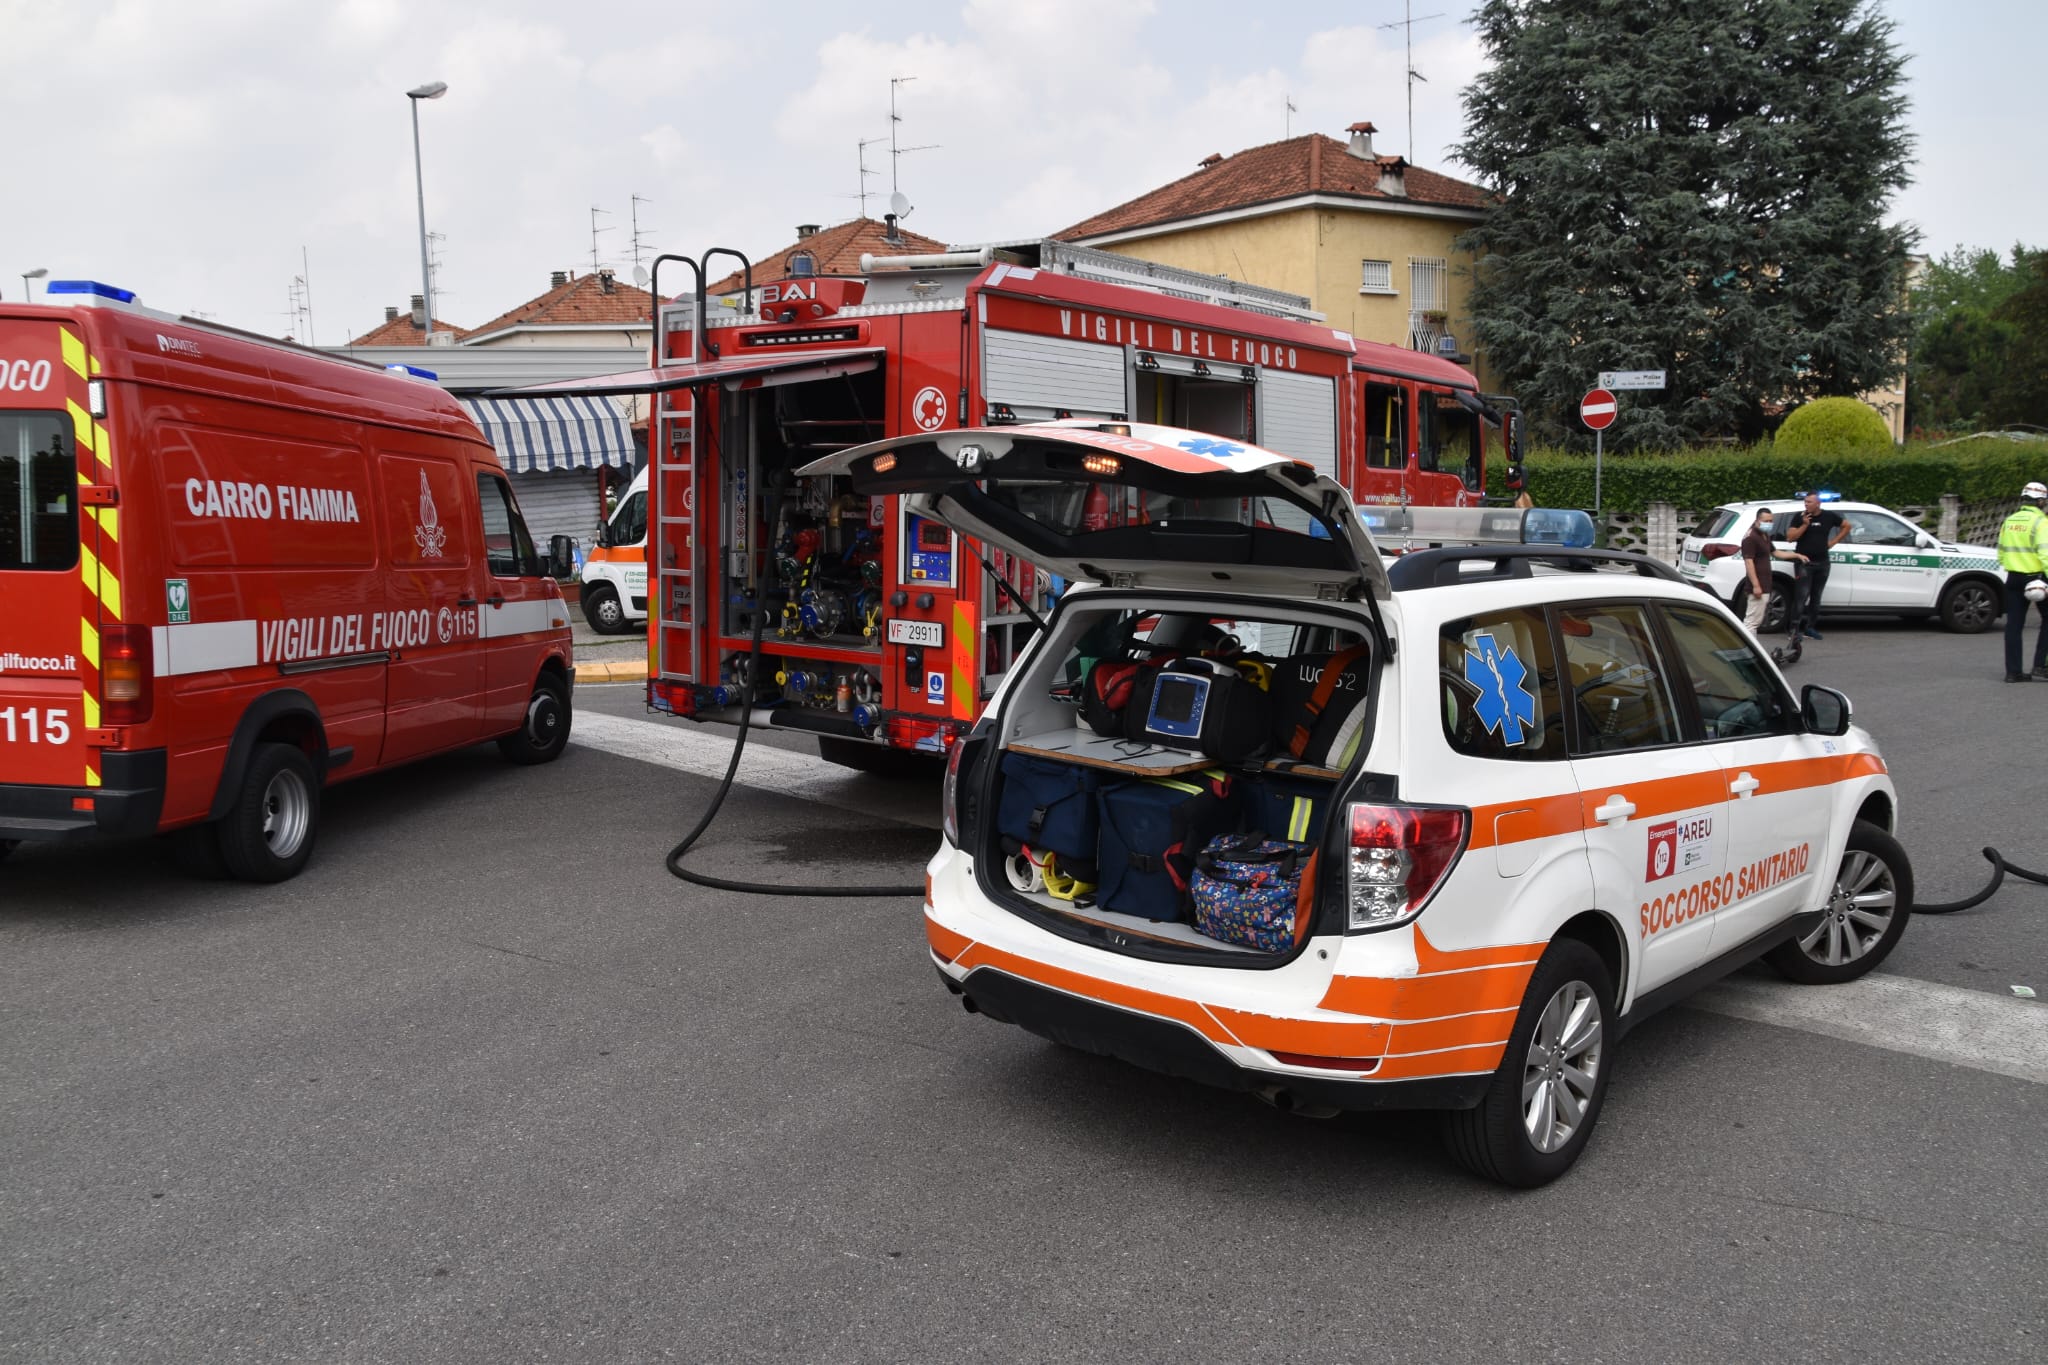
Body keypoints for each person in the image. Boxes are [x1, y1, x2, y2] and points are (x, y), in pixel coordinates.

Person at [1997, 480, 2048, 683]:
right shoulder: (2041, 522)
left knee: (2014, 626)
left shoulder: (2009, 521)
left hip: (2014, 579)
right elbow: (2046, 555)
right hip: (2037, 578)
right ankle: (2040, 665)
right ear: (2041, 500)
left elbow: (2001, 554)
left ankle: (2013, 672)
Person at [1783, 493, 1848, 640]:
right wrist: (1805, 524)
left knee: (1816, 598)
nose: (1806, 504)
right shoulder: (1799, 517)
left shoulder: (1829, 516)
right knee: (1801, 597)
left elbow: (1846, 525)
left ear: (1818, 504)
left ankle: (1810, 628)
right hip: (1804, 563)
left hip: (1823, 563)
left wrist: (1833, 542)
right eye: (1805, 502)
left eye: (1809, 502)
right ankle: (1794, 630)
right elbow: (1790, 537)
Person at [1739, 508, 1806, 634]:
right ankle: (1749, 650)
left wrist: (1796, 555)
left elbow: (1775, 552)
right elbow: (1749, 562)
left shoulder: (1764, 535)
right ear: (1757, 520)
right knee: (1751, 622)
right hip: (1758, 585)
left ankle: (1751, 649)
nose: (1769, 523)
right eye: (1766, 521)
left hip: (1765, 583)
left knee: (1755, 621)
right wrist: (1756, 585)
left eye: (1771, 521)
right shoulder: (1751, 537)